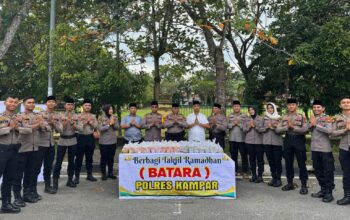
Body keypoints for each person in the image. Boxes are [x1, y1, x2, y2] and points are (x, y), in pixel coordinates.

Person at [13, 96, 43, 204]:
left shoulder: (38, 116)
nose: (32, 104)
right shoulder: (18, 116)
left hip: (35, 148)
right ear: (24, 104)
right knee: (18, 174)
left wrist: (41, 123)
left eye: (33, 102)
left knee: (30, 173)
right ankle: (17, 196)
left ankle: (27, 194)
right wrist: (37, 124)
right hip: (22, 148)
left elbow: (45, 128)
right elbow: (23, 130)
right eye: (29, 102)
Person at [276, 98, 309, 195]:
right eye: (289, 105)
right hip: (288, 140)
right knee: (288, 163)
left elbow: (305, 129)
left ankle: (304, 185)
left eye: (293, 104)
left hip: (299, 140)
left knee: (301, 163)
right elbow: (277, 130)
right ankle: (290, 183)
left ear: (296, 106)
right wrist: (287, 127)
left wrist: (293, 128)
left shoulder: (302, 117)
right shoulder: (284, 117)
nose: (291, 106)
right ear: (287, 106)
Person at [52, 97, 82, 191]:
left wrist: (74, 124)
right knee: (58, 162)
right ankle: (55, 183)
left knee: (71, 161)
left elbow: (81, 129)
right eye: (68, 104)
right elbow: (57, 130)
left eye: (71, 104)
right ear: (65, 106)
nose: (70, 106)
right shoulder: (60, 116)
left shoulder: (77, 116)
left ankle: (70, 180)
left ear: (73, 106)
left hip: (73, 140)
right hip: (62, 140)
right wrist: (64, 124)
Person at [309, 100, 334, 203]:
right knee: (318, 171)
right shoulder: (313, 118)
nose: (316, 109)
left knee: (328, 171)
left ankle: (329, 193)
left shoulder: (327, 118)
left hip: (325, 149)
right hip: (314, 149)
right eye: (314, 107)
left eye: (318, 107)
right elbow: (307, 129)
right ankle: (323, 190)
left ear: (323, 108)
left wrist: (316, 125)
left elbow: (329, 131)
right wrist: (310, 125)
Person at [36, 95, 62, 194]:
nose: (51, 103)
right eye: (49, 101)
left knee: (48, 166)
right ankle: (32, 189)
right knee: (36, 167)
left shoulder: (57, 115)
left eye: (53, 102)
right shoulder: (39, 114)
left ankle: (47, 186)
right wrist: (46, 124)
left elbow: (60, 130)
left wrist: (53, 123)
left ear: (55, 103)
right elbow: (39, 128)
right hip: (40, 144)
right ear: (46, 103)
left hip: (51, 144)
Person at [0, 95, 21, 213]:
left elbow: (27, 130)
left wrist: (18, 128)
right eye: (10, 101)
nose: (13, 104)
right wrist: (9, 128)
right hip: (2, 148)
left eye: (15, 102)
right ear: (5, 103)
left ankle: (6, 204)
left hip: (15, 149)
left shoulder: (19, 117)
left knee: (9, 178)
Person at [259, 102, 283, 187]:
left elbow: (282, 130)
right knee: (271, 161)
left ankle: (279, 179)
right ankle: (274, 178)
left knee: (277, 161)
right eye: (268, 108)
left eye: (271, 108)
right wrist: (267, 127)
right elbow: (260, 129)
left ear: (274, 109)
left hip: (277, 142)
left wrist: (275, 127)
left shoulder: (279, 118)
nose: (270, 109)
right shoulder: (263, 118)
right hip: (267, 142)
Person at [75, 99, 98, 183]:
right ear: (83, 106)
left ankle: (89, 175)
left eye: (89, 105)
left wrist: (90, 122)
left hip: (90, 137)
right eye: (86, 105)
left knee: (89, 157)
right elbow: (76, 127)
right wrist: (84, 123)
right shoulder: (78, 116)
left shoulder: (93, 116)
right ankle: (76, 176)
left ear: (91, 107)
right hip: (80, 137)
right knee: (78, 158)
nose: (87, 107)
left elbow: (96, 126)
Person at [332, 96, 350, 205]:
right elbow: (332, 133)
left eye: (348, 102)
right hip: (344, 149)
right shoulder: (336, 118)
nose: (346, 104)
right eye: (344, 102)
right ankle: (347, 196)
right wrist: (345, 130)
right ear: (340, 105)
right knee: (347, 174)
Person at [98, 104, 119, 180]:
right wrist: (109, 124)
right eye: (110, 109)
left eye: (112, 109)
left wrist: (114, 123)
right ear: (106, 110)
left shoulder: (115, 117)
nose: (111, 110)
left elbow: (117, 128)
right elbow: (100, 129)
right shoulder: (101, 118)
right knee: (104, 158)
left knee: (111, 158)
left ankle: (110, 173)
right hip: (103, 142)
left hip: (113, 141)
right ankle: (103, 174)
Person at [228, 100, 248, 177]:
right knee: (233, 156)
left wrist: (239, 124)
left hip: (242, 139)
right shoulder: (230, 115)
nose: (236, 107)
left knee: (244, 156)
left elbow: (246, 126)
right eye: (235, 106)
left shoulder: (244, 115)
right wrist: (233, 124)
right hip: (232, 139)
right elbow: (227, 125)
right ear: (233, 107)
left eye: (237, 106)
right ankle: (235, 171)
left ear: (240, 107)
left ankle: (245, 171)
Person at [243, 106, 264, 183]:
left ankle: (260, 176)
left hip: (259, 142)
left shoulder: (261, 118)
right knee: (251, 159)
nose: (251, 111)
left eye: (252, 109)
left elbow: (262, 129)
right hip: (249, 142)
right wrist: (249, 126)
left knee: (260, 160)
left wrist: (254, 126)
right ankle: (254, 175)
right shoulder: (246, 119)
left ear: (255, 110)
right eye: (249, 110)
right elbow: (244, 129)